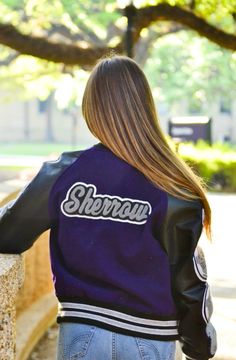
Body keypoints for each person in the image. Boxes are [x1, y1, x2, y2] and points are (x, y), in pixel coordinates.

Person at [0, 55, 217, 360]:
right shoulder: (173, 185)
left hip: (82, 335)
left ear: (92, 109)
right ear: (144, 107)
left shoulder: (62, 174)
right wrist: (200, 343)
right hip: (150, 339)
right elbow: (188, 278)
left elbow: (7, 234)